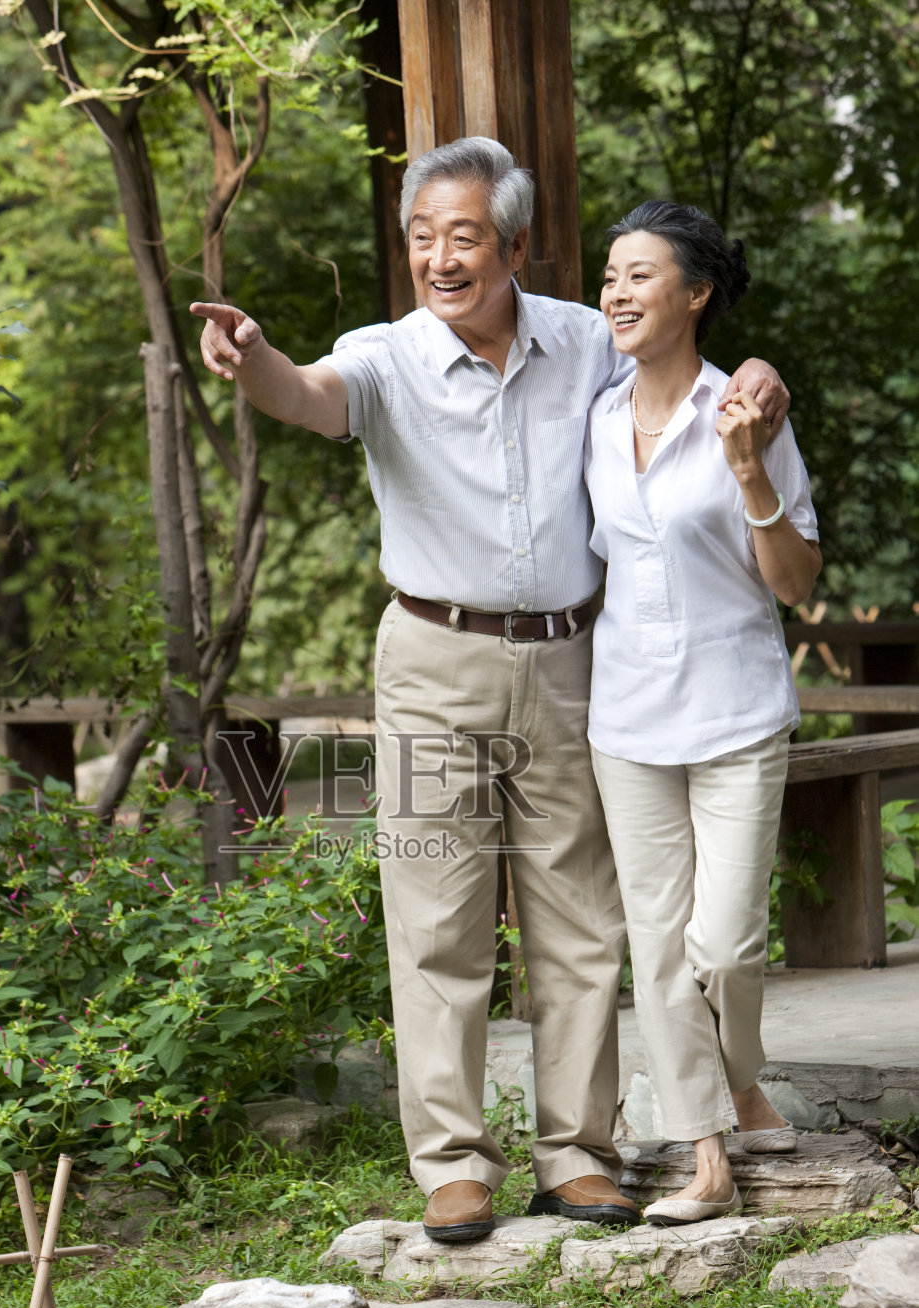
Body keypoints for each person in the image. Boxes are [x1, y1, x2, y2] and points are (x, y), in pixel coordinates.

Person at [191, 139, 789, 1242]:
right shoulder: (383, 356)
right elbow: (309, 395)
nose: (439, 258)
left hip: (574, 661)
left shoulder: (580, 337)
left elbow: (684, 381)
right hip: (427, 662)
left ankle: (576, 1152)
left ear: (512, 245)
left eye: (463, 236)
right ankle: (453, 1161)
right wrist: (256, 356)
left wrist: (758, 374)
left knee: (578, 919)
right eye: (421, 238)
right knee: (435, 915)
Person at [585, 200, 821, 1225]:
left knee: (722, 945)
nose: (615, 292)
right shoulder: (591, 416)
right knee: (657, 944)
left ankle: (740, 1079)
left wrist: (746, 468)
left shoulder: (748, 412)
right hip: (625, 717)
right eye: (607, 275)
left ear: (695, 294)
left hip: (732, 710)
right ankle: (705, 1156)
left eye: (639, 275)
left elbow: (797, 583)